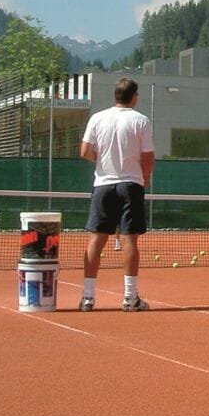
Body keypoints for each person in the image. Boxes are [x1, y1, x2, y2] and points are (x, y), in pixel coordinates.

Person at [77, 77, 155, 312]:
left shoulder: (97, 118)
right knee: (129, 239)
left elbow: (84, 152)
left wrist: (100, 162)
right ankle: (130, 298)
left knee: (96, 239)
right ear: (135, 96)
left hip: (103, 185)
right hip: (130, 185)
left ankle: (88, 298)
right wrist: (144, 178)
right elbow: (149, 157)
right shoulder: (141, 120)